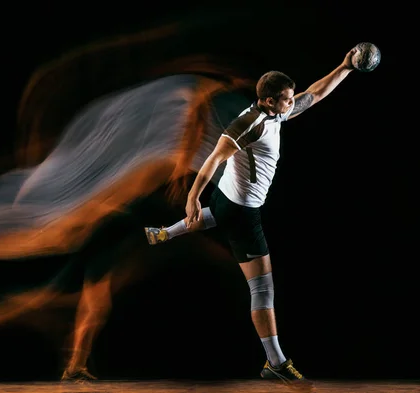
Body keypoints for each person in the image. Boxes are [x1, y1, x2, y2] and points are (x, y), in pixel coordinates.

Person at [144, 46, 360, 388]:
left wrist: (345, 66)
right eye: (287, 99)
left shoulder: (277, 114)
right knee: (262, 289)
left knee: (217, 215)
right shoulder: (249, 124)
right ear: (270, 100)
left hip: (228, 200)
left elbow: (314, 94)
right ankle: (276, 362)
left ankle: (164, 233)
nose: (292, 102)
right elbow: (214, 158)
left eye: (291, 98)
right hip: (243, 213)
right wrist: (191, 198)